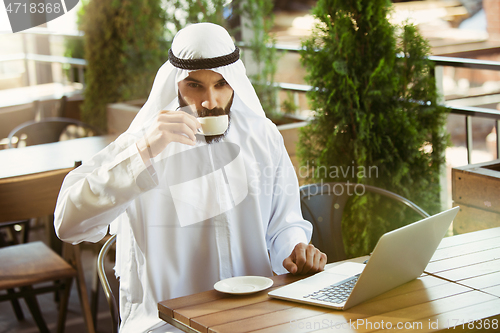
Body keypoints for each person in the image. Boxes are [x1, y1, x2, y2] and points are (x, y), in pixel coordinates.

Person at [54, 22, 326, 333]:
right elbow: (68, 224)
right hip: (168, 325)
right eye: (195, 86)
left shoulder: (262, 137)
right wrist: (143, 152)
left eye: (221, 84)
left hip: (256, 315)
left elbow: (284, 223)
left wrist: (295, 250)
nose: (210, 101)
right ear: (175, 84)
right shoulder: (143, 143)